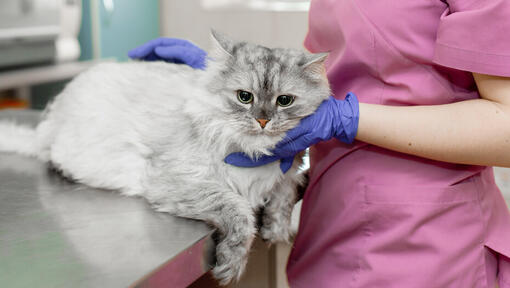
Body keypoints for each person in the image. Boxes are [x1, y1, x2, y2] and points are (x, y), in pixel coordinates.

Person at [128, 0, 510, 286]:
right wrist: (229, 78)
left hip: (425, 239)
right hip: (332, 214)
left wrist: (347, 118)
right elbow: (335, 67)